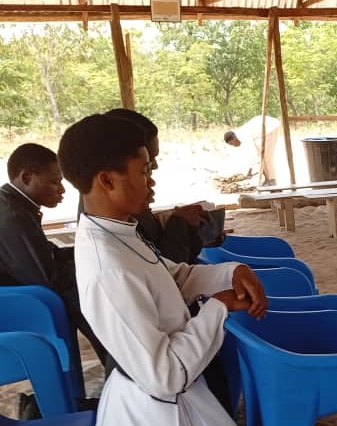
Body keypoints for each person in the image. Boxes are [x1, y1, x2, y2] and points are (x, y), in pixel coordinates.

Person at [60, 114, 272, 426]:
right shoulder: (107, 265)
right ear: (107, 180)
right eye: (144, 169)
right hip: (156, 407)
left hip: (173, 400)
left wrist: (230, 273)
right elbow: (165, 374)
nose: (152, 179)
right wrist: (217, 310)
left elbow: (171, 276)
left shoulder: (119, 231)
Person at [0, 143, 108, 367]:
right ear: (27, 177)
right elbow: (46, 278)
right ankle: (118, 363)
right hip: (12, 300)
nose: (61, 190)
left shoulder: (15, 205)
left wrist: (84, 256)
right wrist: (88, 268)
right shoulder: (14, 216)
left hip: (21, 287)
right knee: (86, 296)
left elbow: (45, 253)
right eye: (54, 182)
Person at [106, 108, 207, 264]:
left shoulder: (128, 206)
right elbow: (164, 267)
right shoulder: (117, 219)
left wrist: (195, 232)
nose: (155, 166)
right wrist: (178, 222)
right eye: (146, 165)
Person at [224, 115, 281, 186]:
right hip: (264, 128)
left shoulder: (243, 136)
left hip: (270, 126)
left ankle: (272, 180)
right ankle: (267, 178)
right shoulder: (240, 136)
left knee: (267, 157)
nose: (233, 146)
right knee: (261, 155)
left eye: (232, 144)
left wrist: (250, 171)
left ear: (234, 138)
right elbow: (256, 154)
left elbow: (253, 154)